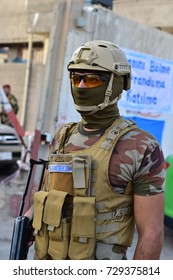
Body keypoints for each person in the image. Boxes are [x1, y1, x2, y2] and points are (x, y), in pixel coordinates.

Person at [31, 40, 165, 260]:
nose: (81, 86)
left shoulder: (141, 146)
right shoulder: (62, 136)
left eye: (92, 79)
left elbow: (152, 233)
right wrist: (28, 220)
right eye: (77, 78)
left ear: (118, 83)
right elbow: (47, 193)